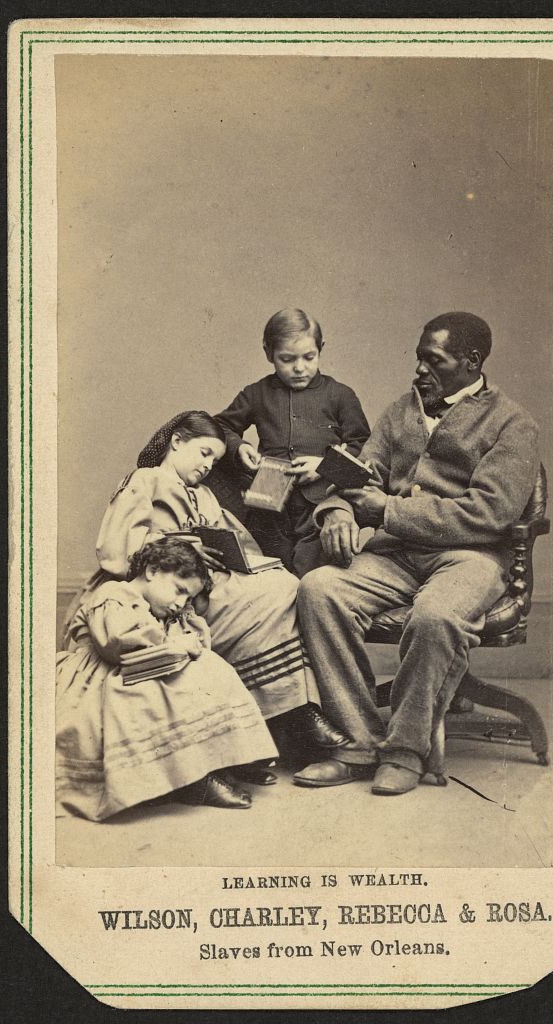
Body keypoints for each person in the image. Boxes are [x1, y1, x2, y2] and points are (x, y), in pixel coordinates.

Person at [294, 312, 540, 796]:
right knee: (318, 590)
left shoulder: (514, 424)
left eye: (435, 361)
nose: (420, 372)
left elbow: (489, 513)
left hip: (471, 558)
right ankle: (358, 743)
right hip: (397, 555)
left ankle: (406, 750)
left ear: (471, 362)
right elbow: (354, 474)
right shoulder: (401, 411)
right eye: (418, 359)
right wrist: (337, 511)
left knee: (434, 617)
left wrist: (387, 510)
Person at [75, 410, 347, 759]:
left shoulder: (204, 495)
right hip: (159, 587)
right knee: (278, 594)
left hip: (208, 585)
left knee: (285, 585)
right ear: (177, 441)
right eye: (204, 453)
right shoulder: (146, 480)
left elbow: (240, 543)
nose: (208, 466)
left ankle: (292, 711)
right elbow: (115, 550)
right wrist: (183, 546)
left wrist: (237, 556)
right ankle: (290, 716)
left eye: (215, 460)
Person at [57, 537, 280, 820]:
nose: (180, 603)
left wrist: (185, 631)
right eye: (179, 591)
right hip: (103, 676)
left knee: (210, 667)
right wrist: (175, 646)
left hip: (141, 667)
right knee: (162, 690)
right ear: (152, 571)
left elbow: (173, 642)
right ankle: (193, 779)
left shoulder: (159, 607)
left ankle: (224, 760)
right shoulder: (113, 595)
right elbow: (119, 644)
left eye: (186, 598)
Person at [215, 308, 370, 576]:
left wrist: (325, 466)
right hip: (267, 501)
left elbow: (365, 448)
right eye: (287, 359)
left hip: (321, 506)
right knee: (271, 570)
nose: (299, 368)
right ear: (268, 353)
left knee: (312, 573)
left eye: (309, 357)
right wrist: (240, 447)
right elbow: (220, 426)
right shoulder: (257, 393)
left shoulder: (341, 395)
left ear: (321, 349)